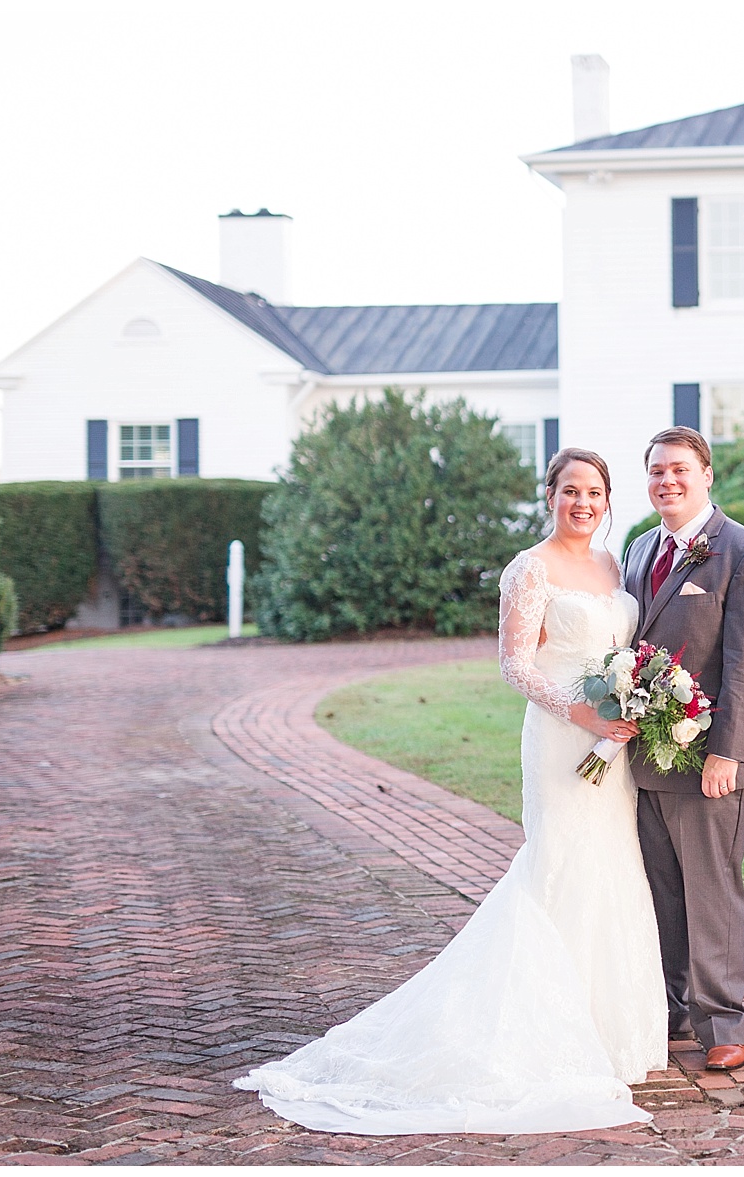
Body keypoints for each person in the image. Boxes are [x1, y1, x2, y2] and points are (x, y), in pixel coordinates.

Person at [233, 447, 667, 1135]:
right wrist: (585, 715)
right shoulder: (530, 567)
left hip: (613, 744)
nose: (582, 502)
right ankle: (536, 1032)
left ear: (607, 499)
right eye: (569, 490)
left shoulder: (615, 567)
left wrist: (628, 708)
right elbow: (515, 664)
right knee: (558, 862)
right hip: (562, 738)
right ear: (548, 495)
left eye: (594, 491)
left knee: (611, 866)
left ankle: (609, 1032)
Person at [623, 427, 744, 1072]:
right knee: (660, 891)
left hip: (709, 758)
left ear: (707, 475)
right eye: (657, 471)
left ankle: (724, 1022)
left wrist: (728, 752)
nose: (668, 481)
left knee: (712, 890)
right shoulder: (639, 549)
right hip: (646, 756)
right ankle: (674, 1011)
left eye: (680, 470)